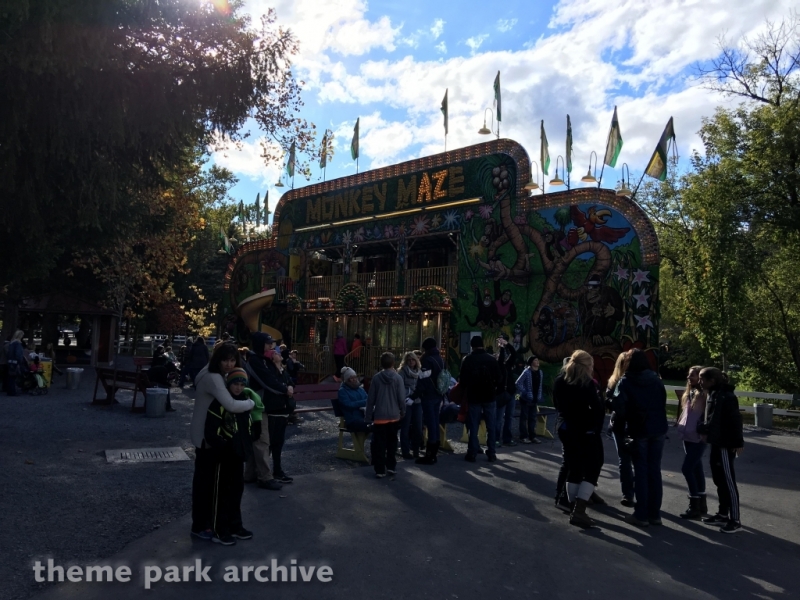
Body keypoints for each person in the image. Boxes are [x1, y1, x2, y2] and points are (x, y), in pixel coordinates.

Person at [189, 343, 255, 544]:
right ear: (217, 359)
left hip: (204, 434)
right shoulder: (214, 377)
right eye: (225, 359)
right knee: (208, 485)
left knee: (209, 483)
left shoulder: (208, 372)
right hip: (208, 437)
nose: (229, 364)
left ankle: (211, 523)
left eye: (232, 360)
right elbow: (231, 404)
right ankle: (202, 525)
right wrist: (252, 403)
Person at [613, 349, 668, 528]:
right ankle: (654, 514)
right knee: (654, 470)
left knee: (641, 471)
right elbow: (662, 402)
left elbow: (619, 407)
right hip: (658, 428)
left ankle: (641, 514)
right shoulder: (656, 380)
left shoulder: (626, 381)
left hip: (638, 429)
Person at [202, 367, 256, 545]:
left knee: (236, 491)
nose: (238, 388)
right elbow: (211, 432)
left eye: (242, 384)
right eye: (235, 384)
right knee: (222, 493)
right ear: (228, 384)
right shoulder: (220, 404)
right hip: (224, 457)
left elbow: (248, 428)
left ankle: (235, 526)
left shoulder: (244, 403)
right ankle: (220, 529)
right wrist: (224, 447)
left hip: (239, 455)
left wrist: (247, 445)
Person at [553, 350, 605, 528]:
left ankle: (573, 506)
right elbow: (598, 409)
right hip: (583, 430)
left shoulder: (560, 381)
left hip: (565, 428)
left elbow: (557, 405)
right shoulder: (587, 383)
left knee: (574, 468)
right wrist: (595, 428)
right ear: (587, 366)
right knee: (592, 468)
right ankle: (580, 508)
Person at [697, 367, 744, 533]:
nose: (700, 382)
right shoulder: (713, 394)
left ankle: (735, 519)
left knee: (728, 481)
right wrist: (704, 429)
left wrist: (738, 442)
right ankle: (723, 513)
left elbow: (735, 420)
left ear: (712, 381)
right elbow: (712, 419)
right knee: (719, 480)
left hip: (726, 443)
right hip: (716, 442)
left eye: (702, 379)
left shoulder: (727, 396)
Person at [242, 333, 282, 491]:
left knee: (256, 439)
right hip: (257, 405)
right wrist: (284, 389)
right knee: (262, 441)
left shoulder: (262, 359)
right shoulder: (255, 360)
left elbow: (275, 377)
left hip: (259, 404)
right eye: (267, 343)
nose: (270, 346)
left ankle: (250, 473)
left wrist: (277, 364)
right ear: (260, 344)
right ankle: (265, 477)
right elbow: (268, 381)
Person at [460, 335, 503, 463]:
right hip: (489, 395)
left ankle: (472, 452)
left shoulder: (468, 359)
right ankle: (491, 452)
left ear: (472, 346)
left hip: (474, 396)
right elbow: (499, 378)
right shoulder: (491, 359)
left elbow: (462, 380)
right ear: (482, 345)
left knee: (473, 425)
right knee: (491, 425)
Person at [364, 352, 406, 478]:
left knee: (379, 444)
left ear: (381, 363)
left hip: (380, 416)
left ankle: (380, 469)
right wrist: (402, 411)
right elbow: (401, 398)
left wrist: (368, 417)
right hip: (394, 415)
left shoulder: (376, 378)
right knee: (392, 442)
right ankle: (391, 466)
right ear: (393, 363)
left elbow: (371, 399)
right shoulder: (398, 378)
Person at [676, 366, 709, 520]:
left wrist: (703, 430)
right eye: (689, 375)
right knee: (696, 467)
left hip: (698, 436)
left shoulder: (704, 394)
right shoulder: (690, 393)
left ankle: (694, 503)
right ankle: (701, 503)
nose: (689, 378)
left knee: (687, 468)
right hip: (688, 434)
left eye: (693, 376)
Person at [261, 347, 295, 484]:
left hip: (284, 410)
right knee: (271, 442)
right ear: (271, 358)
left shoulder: (283, 370)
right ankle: (266, 472)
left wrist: (291, 386)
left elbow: (290, 381)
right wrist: (286, 389)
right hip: (274, 410)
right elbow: (275, 386)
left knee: (279, 442)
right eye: (275, 353)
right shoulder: (270, 372)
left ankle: (277, 470)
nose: (279, 354)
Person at [605, 351, 635, 506]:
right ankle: (631, 493)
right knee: (629, 460)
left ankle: (629, 494)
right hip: (627, 423)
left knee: (626, 461)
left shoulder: (617, 380)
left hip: (622, 423)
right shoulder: (620, 380)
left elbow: (610, 401)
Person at [415, 337, 446, 465]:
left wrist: (415, 394)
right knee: (435, 422)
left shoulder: (428, 360)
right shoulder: (440, 359)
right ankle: (434, 452)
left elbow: (423, 379)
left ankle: (430, 454)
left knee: (430, 423)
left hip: (428, 395)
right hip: (438, 394)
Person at [398, 351, 424, 459]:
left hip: (417, 401)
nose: (411, 362)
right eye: (409, 360)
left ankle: (416, 449)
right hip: (406, 401)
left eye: (413, 359)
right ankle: (405, 451)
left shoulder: (419, 372)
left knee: (418, 427)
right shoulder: (402, 372)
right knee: (405, 427)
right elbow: (400, 387)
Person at [495, 334, 518, 447]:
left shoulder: (508, 365)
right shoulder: (497, 366)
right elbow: (500, 359)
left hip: (510, 393)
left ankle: (507, 439)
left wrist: (507, 344)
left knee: (509, 417)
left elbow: (514, 354)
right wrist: (501, 348)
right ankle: (495, 439)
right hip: (501, 394)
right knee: (499, 418)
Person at [517, 355, 544, 445]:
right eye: (535, 360)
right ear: (531, 362)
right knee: (524, 418)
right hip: (526, 399)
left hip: (534, 399)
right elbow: (518, 383)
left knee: (532, 418)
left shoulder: (540, 372)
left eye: (537, 360)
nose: (537, 362)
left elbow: (540, 386)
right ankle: (523, 436)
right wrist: (525, 392)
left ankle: (532, 436)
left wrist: (539, 395)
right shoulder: (526, 372)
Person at [338, 367, 370, 432]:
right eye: (351, 378)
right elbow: (348, 404)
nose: (354, 379)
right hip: (353, 419)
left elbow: (368, 400)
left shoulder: (360, 389)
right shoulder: (342, 391)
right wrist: (364, 402)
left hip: (365, 416)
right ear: (347, 380)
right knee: (376, 426)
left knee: (384, 423)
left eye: (355, 377)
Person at [4, 330, 26, 396]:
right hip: (15, 362)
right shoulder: (18, 344)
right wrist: (20, 361)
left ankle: (9, 391)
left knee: (10, 377)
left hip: (10, 361)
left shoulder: (11, 343)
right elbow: (18, 354)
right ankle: (13, 391)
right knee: (14, 377)